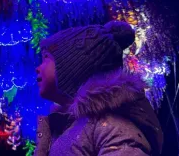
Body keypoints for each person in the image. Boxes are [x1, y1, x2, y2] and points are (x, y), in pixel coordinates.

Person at [35, 21, 163, 156]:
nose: (38, 68)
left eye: (46, 59)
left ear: (72, 67)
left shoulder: (111, 126)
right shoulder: (66, 128)